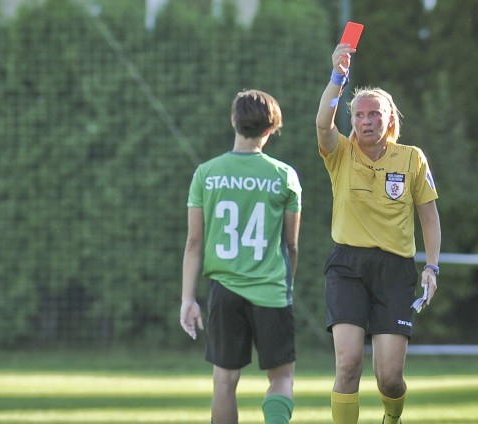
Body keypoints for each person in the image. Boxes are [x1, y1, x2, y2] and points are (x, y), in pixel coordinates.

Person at [315, 42, 441, 424]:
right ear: (351, 120)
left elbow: (430, 216)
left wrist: (431, 268)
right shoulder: (339, 153)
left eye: (374, 114)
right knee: (348, 364)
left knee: (390, 378)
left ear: (389, 119)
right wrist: (338, 77)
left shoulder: (411, 158)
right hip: (347, 267)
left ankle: (392, 416)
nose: (366, 120)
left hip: (395, 270)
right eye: (359, 115)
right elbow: (323, 122)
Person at [180, 89, 302, 424]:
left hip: (225, 291)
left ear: (234, 120)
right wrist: (284, 284)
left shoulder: (207, 173)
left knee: (224, 381)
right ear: (269, 129)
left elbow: (194, 242)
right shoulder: (284, 176)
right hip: (272, 291)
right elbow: (291, 245)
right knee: (281, 378)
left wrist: (187, 298)